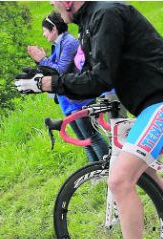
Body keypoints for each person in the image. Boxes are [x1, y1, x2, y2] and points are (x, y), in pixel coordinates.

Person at [14, 1, 163, 239]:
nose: (53, 7)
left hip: (160, 100)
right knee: (145, 171)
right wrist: (44, 76)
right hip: (149, 102)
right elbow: (89, 79)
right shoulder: (90, 23)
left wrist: (48, 84)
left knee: (121, 179)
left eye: (55, 0)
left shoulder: (106, 15)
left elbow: (102, 77)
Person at [27, 11, 109, 163]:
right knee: (83, 140)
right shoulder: (58, 45)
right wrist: (39, 62)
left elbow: (59, 70)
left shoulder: (69, 43)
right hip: (68, 99)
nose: (43, 34)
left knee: (92, 137)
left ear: (54, 29)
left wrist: (42, 59)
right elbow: (49, 70)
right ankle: (95, 172)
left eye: (45, 30)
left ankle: (108, 168)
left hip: (79, 99)